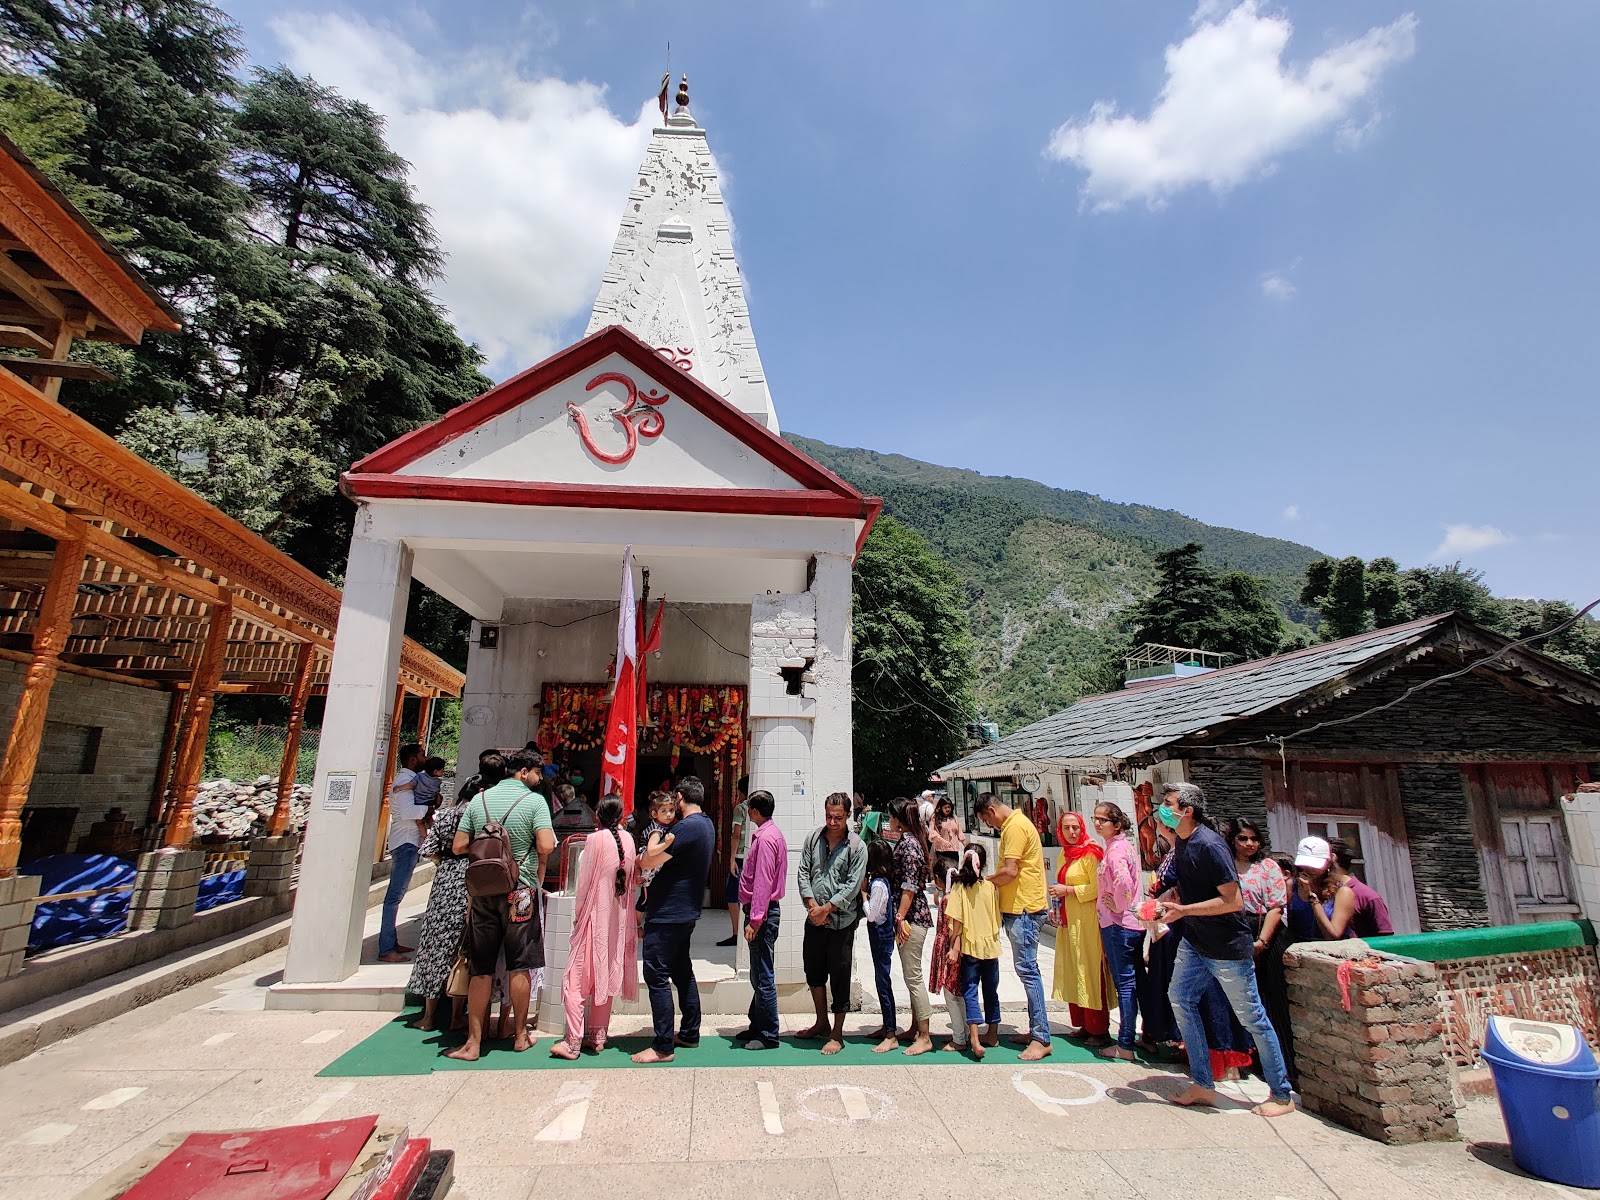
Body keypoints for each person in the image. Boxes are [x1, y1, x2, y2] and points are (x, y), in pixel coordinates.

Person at [1157, 782, 1294, 1117]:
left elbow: (1232, 901)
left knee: (1252, 1018)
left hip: (1227, 948)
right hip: (1196, 941)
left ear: (1187, 811)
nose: (1161, 808)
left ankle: (1281, 1094)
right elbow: (1190, 888)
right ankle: (1203, 1082)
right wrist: (1169, 900)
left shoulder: (1209, 845)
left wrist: (1184, 911)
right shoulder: (1184, 842)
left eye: (1168, 803)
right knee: (1181, 998)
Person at [445, 749, 555, 1061]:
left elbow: (459, 845)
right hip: (519, 891)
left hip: (483, 891)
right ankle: (519, 1034)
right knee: (519, 964)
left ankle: (474, 1042)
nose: (539, 778)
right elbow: (547, 844)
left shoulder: (479, 801)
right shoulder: (534, 802)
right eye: (537, 772)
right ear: (524, 772)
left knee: (481, 966)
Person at [631, 776, 716, 1064]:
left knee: (656, 976)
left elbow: (649, 861)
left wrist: (642, 856)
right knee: (681, 971)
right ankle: (689, 1032)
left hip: (668, 912)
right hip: (685, 911)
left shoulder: (685, 828)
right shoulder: (706, 824)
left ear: (679, 797)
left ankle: (663, 1045)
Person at [550, 795, 638, 1059]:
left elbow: (583, 883)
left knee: (574, 981)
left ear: (598, 815)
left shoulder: (595, 840)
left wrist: (578, 917)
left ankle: (572, 1041)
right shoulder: (629, 840)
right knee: (605, 975)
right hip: (618, 920)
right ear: (622, 816)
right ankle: (597, 1036)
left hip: (593, 917)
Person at [977, 791, 1052, 1061]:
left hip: (1024, 909)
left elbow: (1010, 871)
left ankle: (1041, 1036)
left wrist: (983, 882)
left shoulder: (1015, 827)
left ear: (990, 811)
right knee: (1026, 970)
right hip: (1018, 908)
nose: (990, 826)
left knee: (1028, 970)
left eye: (987, 821)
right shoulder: (1015, 825)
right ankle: (1036, 1029)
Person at [797, 791, 868, 1055]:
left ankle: (837, 1033)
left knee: (839, 976)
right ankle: (821, 1021)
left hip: (841, 923)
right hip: (814, 919)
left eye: (838, 817)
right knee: (813, 973)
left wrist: (828, 908)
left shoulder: (856, 847)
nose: (832, 821)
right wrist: (811, 904)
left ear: (848, 815)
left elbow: (851, 886)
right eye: (828, 816)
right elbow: (803, 871)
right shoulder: (813, 838)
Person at [406, 780, 471, 1033]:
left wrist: (445, 863)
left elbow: (430, 849)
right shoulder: (477, 816)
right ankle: (457, 1015)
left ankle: (428, 1016)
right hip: (469, 880)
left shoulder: (444, 817)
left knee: (434, 947)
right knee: (462, 950)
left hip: (445, 882)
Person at [876, 796, 934, 1056]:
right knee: (911, 973)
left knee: (913, 976)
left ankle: (924, 1034)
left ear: (897, 817)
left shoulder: (909, 844)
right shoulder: (912, 840)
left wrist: (899, 917)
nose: (889, 819)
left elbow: (909, 886)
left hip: (912, 917)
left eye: (891, 815)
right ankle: (914, 1028)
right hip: (911, 915)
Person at [1049, 810, 1110, 1046]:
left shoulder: (1090, 853)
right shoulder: (1065, 854)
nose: (1072, 832)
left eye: (1075, 827)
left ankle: (1098, 1028)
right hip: (1069, 921)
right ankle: (1084, 1024)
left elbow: (1098, 888)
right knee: (1075, 970)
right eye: (1067, 828)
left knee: (1089, 970)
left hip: (1087, 922)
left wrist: (1069, 891)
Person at [735, 789, 786, 1050]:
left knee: (763, 974)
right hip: (764, 913)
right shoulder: (770, 834)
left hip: (763, 915)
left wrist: (755, 920)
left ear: (754, 811)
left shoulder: (765, 839)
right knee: (758, 973)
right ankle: (758, 1025)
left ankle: (768, 1034)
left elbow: (763, 883)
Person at [1094, 802, 1144, 1061]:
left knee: (1125, 984)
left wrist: (1118, 904)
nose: (1098, 823)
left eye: (1103, 820)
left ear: (1116, 824)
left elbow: (1123, 880)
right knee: (1132, 983)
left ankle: (1125, 1043)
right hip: (1126, 923)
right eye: (1096, 819)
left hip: (1119, 923)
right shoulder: (1119, 847)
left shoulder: (1116, 851)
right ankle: (1135, 1037)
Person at [943, 843, 1001, 1060]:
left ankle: (974, 1040)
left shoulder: (959, 887)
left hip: (970, 946)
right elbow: (996, 917)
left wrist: (953, 946)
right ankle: (992, 1034)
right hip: (991, 946)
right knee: (991, 991)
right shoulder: (990, 887)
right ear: (983, 863)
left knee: (970, 991)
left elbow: (956, 921)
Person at [378, 743, 426, 963]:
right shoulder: (403, 782)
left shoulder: (408, 781)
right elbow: (408, 812)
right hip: (405, 840)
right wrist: (431, 809)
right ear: (413, 760)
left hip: (407, 840)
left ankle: (391, 941)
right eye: (422, 755)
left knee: (397, 896)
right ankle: (386, 948)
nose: (425, 759)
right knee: (393, 898)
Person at [1296, 836, 1394, 939]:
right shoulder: (1299, 887)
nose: (1309, 869)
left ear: (1331, 859)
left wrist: (1313, 899)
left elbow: (1385, 936)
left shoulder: (1365, 895)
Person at [861, 838, 899, 1042]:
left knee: (883, 981)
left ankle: (891, 1031)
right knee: (881, 980)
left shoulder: (877, 885)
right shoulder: (883, 882)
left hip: (881, 936)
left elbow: (872, 915)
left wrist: (863, 896)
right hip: (881, 936)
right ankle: (887, 1025)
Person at [720, 777, 751, 947]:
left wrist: (731, 859)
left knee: (732, 896)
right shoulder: (757, 806)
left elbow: (736, 834)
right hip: (752, 856)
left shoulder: (740, 808)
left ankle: (736, 932)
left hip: (740, 857)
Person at [927, 795, 966, 886]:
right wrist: (943, 841)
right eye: (945, 807)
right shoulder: (935, 818)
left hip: (954, 850)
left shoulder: (954, 817)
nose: (948, 809)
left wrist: (965, 845)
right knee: (944, 874)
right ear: (941, 808)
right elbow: (932, 833)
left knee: (954, 872)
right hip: (942, 850)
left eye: (949, 807)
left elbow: (959, 832)